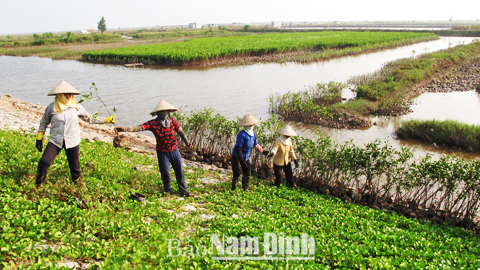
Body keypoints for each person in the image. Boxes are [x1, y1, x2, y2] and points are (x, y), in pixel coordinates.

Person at [35, 80, 116, 186]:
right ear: (59, 95)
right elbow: (44, 122)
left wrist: (106, 120)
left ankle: (78, 188)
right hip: (55, 140)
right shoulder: (51, 108)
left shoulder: (76, 107)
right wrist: (39, 138)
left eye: (70, 94)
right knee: (44, 162)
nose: (68, 96)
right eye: (65, 94)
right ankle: (38, 186)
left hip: (72, 140)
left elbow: (89, 119)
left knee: (75, 168)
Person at [115, 100, 193, 197]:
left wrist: (187, 142)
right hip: (162, 152)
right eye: (162, 111)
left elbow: (181, 133)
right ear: (158, 113)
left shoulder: (173, 122)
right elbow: (139, 128)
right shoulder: (153, 123)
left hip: (174, 150)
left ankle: (183, 190)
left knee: (179, 171)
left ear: (169, 112)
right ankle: (167, 190)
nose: (164, 113)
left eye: (166, 111)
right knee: (166, 173)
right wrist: (123, 129)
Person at [231, 114, 269, 191]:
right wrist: (241, 160)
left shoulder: (253, 133)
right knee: (237, 172)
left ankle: (245, 188)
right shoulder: (241, 134)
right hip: (237, 156)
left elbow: (255, 144)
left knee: (247, 171)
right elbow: (238, 148)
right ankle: (233, 189)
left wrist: (263, 151)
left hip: (246, 156)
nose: (253, 125)